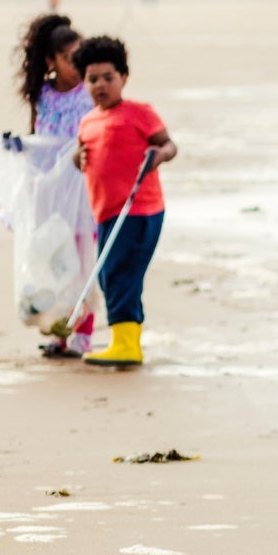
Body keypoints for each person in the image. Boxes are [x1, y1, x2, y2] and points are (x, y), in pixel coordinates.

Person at [72, 36, 178, 368]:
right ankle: (125, 339)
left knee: (121, 274)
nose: (100, 85)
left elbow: (170, 145)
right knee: (110, 276)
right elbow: (83, 156)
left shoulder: (139, 113)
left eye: (108, 77)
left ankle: (127, 345)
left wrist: (158, 156)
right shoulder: (88, 121)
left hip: (138, 209)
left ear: (123, 78)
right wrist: (78, 157)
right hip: (105, 211)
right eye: (92, 79)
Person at [14, 12, 97, 357]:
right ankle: (58, 331)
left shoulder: (88, 94)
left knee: (81, 259)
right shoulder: (42, 96)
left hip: (81, 190)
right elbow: (38, 139)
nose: (75, 65)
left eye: (78, 56)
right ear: (50, 60)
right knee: (52, 259)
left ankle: (83, 334)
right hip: (49, 191)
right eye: (67, 58)